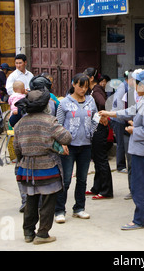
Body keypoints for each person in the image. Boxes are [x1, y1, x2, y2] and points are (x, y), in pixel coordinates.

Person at [100, 70, 144, 230]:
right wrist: (111, 113)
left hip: (143, 151)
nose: (134, 86)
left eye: (136, 83)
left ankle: (139, 220)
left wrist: (133, 130)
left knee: (140, 186)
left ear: (143, 85)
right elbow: (131, 111)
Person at [13, 89, 72, 244]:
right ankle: (42, 234)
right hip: (47, 166)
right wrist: (53, 144)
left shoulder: (20, 123)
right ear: (45, 105)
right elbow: (66, 137)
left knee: (30, 200)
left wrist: (22, 159)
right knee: (48, 201)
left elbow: (16, 148)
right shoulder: (50, 121)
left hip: (26, 167)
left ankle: (28, 232)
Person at [55, 73, 99, 223]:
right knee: (65, 179)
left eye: (86, 87)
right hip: (69, 146)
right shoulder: (64, 103)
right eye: (81, 86)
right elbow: (58, 125)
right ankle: (59, 210)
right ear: (74, 84)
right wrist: (62, 142)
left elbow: (95, 118)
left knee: (82, 179)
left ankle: (79, 208)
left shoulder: (91, 100)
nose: (83, 89)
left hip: (86, 145)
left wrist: (91, 132)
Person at [85, 67, 113, 200]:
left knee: (101, 159)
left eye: (86, 76)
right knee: (96, 159)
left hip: (99, 128)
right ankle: (96, 187)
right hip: (95, 127)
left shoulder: (96, 90)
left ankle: (106, 190)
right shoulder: (93, 90)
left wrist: (102, 115)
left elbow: (103, 103)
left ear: (91, 78)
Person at [111, 70, 132, 173]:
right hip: (118, 119)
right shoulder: (122, 87)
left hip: (125, 118)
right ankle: (120, 166)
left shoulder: (130, 87)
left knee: (126, 142)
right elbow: (119, 104)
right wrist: (124, 117)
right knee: (120, 143)